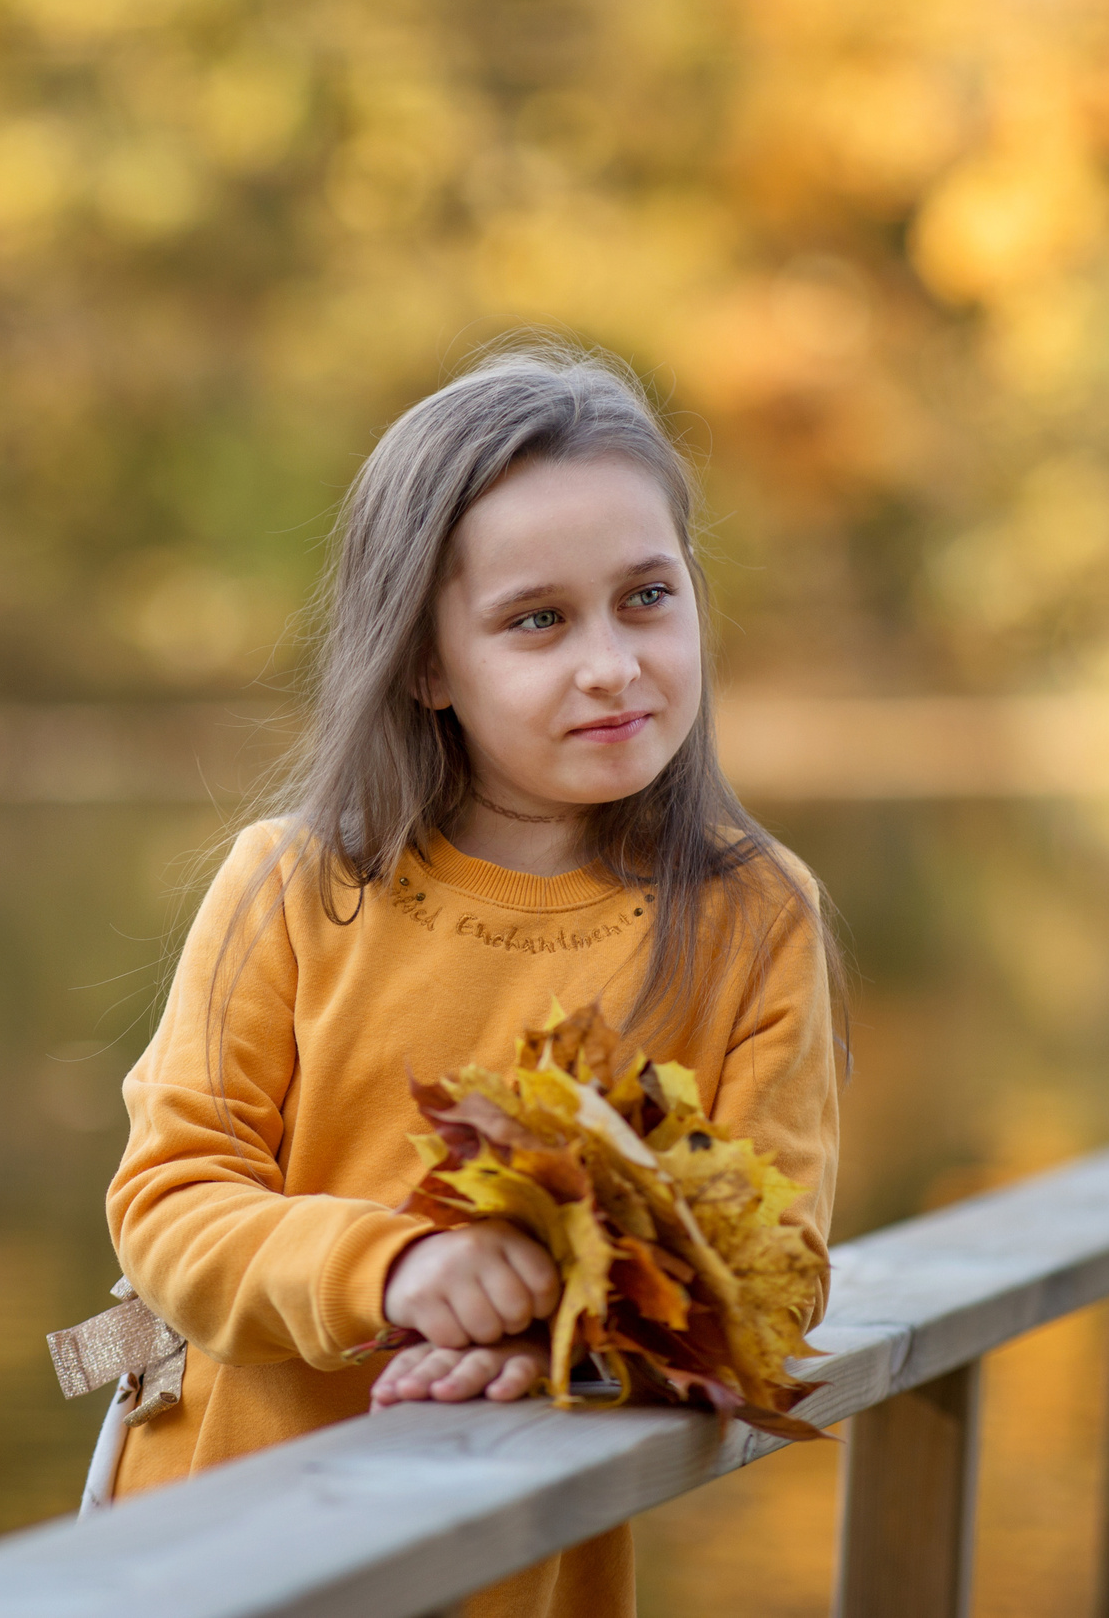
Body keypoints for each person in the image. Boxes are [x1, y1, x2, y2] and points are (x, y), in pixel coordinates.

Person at [99, 343, 843, 1618]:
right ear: (427, 666)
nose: (609, 663)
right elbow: (168, 1202)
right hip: (225, 1547)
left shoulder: (751, 915)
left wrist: (566, 1331)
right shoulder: (292, 884)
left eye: (646, 598)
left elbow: (777, 1263)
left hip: (518, 1572)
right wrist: (395, 1272)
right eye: (536, 621)